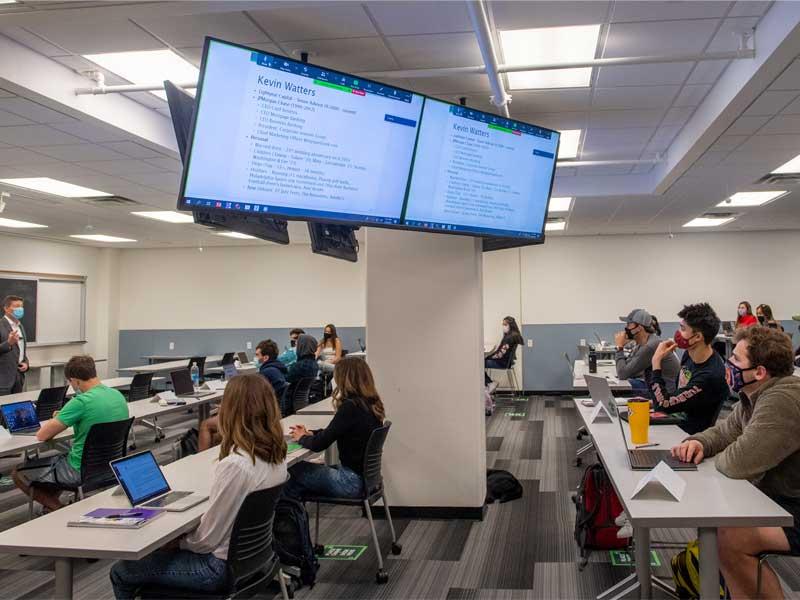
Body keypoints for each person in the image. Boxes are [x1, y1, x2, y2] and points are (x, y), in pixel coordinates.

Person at [110, 374, 288, 599]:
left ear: (233, 411)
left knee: (122, 570)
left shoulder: (237, 465)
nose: (220, 408)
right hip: (255, 558)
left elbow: (206, 541)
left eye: (224, 403)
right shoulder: (276, 456)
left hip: (216, 569)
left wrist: (177, 544)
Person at [671, 326, 800, 600]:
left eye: (737, 360)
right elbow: (724, 432)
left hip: (794, 505)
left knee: (729, 538)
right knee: (722, 529)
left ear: (760, 372)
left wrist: (721, 452)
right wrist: (699, 443)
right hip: (783, 499)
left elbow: (736, 464)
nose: (728, 364)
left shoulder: (782, 399)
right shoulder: (755, 395)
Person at [11, 355, 129, 511]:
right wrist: (65, 415)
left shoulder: (80, 401)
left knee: (17, 473)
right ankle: (52, 503)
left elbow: (42, 435)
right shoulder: (117, 395)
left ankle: (58, 510)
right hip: (110, 466)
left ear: (76, 381)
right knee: (57, 462)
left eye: (70, 382)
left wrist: (64, 415)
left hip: (80, 469)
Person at [285, 357, 383, 500]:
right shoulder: (371, 404)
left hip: (349, 482)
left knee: (291, 470)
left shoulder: (350, 407)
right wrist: (310, 433)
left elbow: (319, 444)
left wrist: (302, 438)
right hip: (367, 480)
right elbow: (335, 431)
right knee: (302, 476)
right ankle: (294, 515)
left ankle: (290, 517)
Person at [650, 303, 728, 434]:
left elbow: (663, 405)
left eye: (683, 329)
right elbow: (675, 396)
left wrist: (656, 362)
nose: (678, 333)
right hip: (675, 418)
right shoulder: (689, 353)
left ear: (697, 337)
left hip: (687, 435)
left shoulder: (710, 375)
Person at [200, 339, 290, 450]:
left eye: (257, 355)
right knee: (217, 433)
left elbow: (251, 402)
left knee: (206, 424)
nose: (256, 358)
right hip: (270, 415)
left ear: (265, 358)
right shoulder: (278, 369)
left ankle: (201, 459)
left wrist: (228, 408)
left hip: (254, 418)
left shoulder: (265, 374)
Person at [614, 309, 680, 394]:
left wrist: (619, 347)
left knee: (615, 391)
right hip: (653, 386)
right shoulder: (641, 344)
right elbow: (628, 368)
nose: (626, 328)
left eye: (629, 324)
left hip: (663, 393)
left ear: (639, 328)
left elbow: (623, 374)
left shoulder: (650, 346)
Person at [485, 316, 524, 393]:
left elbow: (499, 354)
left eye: (505, 324)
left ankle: (490, 383)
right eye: (503, 324)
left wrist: (488, 357)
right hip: (507, 362)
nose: (503, 326)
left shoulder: (509, 338)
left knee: (480, 364)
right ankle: (488, 384)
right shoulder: (513, 335)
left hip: (503, 363)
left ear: (510, 325)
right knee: (484, 360)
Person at [0, 295, 29, 395]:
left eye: (21, 306)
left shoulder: (20, 326)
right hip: (3, 380)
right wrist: (8, 343)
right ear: (6, 308)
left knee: (17, 408)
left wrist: (26, 363)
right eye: (16, 306)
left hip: (19, 377)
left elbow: (21, 350)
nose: (20, 309)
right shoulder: (1, 325)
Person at [286, 334, 319, 400]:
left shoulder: (299, 366)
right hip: (302, 400)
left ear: (302, 346)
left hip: (290, 401)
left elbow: (287, 379)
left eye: (297, 344)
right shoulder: (314, 364)